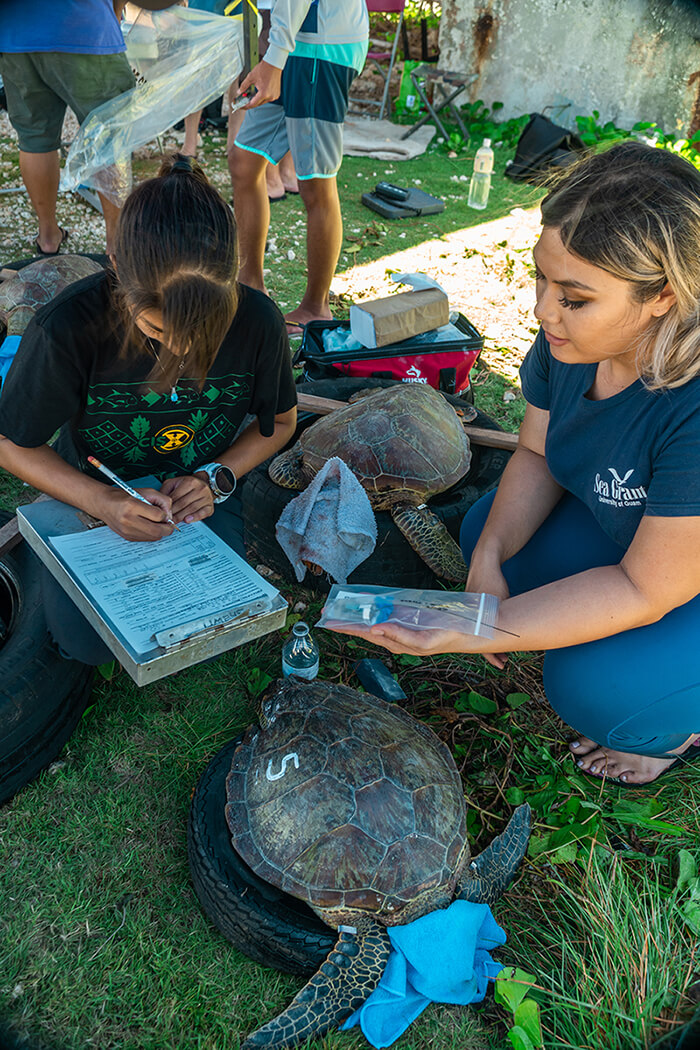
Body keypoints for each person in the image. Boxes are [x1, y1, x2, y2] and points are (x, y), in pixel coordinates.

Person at [331, 141, 700, 786]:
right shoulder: (571, 341)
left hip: (674, 574)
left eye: (574, 297)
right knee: (484, 538)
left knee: (592, 689)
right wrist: (489, 559)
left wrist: (483, 629)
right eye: (541, 278)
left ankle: (669, 731)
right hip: (644, 537)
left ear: (662, 296)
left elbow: (649, 587)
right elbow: (536, 452)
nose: (542, 311)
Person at [0, 154, 297, 663]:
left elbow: (282, 423)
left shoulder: (259, 322)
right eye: (158, 330)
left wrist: (216, 477)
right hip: (95, 483)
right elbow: (10, 443)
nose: (181, 350)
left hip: (195, 494)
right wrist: (102, 503)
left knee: (213, 617)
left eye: (206, 329)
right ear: (116, 269)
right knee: (86, 644)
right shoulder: (70, 327)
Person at [229, 0, 369, 335]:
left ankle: (315, 307)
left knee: (314, 182)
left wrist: (274, 58)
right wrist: (268, 46)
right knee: (244, 162)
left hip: (321, 48)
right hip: (287, 46)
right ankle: (250, 285)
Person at [0, 0, 136, 255]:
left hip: (16, 33)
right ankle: (117, 247)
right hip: (85, 25)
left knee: (34, 138)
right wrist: (115, 14)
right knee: (109, 137)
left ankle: (48, 236)